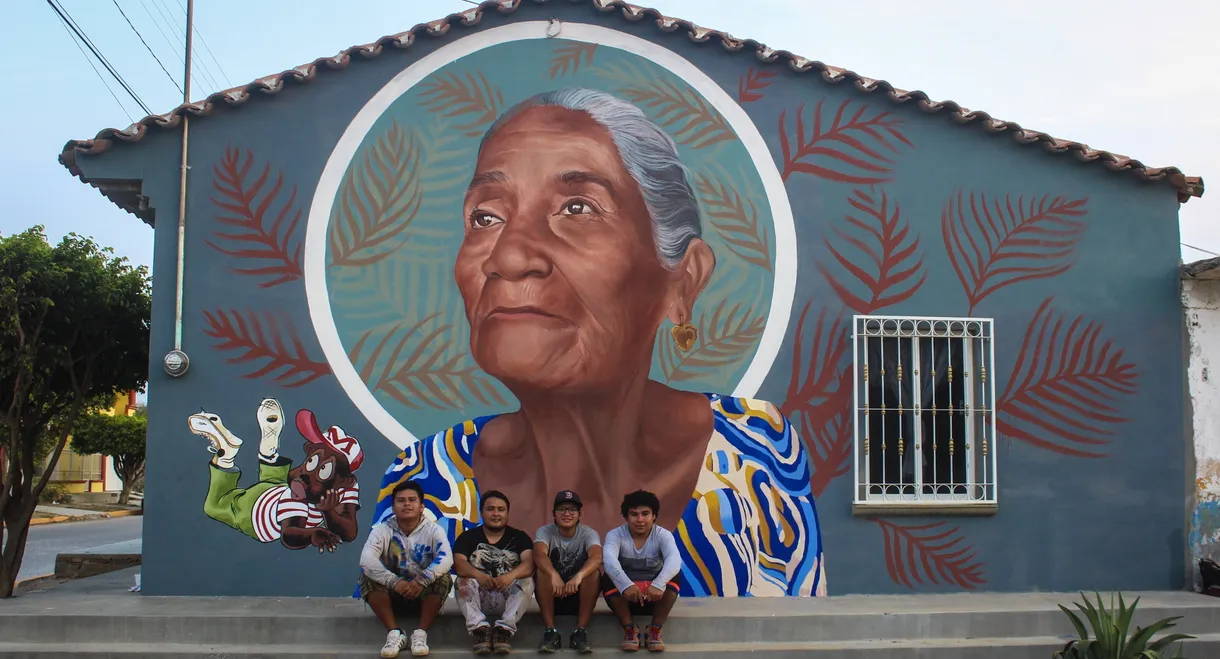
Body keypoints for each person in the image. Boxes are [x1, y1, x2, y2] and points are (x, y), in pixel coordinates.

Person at [370, 87, 826, 598]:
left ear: (682, 281)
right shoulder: (421, 481)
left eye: (577, 207)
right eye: (486, 217)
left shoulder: (758, 453)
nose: (509, 256)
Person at [359, 480, 453, 658]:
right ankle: (395, 633)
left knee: (443, 576)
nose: (407, 504)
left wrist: (422, 580)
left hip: (424, 595)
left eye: (412, 500)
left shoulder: (434, 530)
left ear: (421, 506)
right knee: (367, 575)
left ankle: (420, 634)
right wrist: (394, 582)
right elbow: (366, 560)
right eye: (401, 500)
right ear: (393, 507)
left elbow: (446, 558)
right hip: (392, 596)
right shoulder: (381, 530)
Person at [452, 490, 535, 654]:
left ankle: (503, 631)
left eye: (501, 509)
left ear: (507, 513)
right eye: (490, 509)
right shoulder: (467, 537)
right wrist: (478, 575)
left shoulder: (519, 537)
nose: (496, 514)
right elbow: (459, 564)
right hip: (479, 598)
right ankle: (480, 630)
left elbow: (530, 564)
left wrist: (510, 576)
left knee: (527, 581)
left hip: (508, 599)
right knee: (461, 581)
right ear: (482, 512)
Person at [601, 491, 682, 652]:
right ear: (626, 517)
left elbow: (675, 560)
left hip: (655, 598)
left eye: (645, 514)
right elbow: (609, 561)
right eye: (634, 514)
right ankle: (630, 630)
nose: (640, 519)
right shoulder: (615, 535)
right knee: (607, 577)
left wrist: (658, 584)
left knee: (675, 576)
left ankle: (655, 630)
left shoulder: (663, 535)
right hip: (625, 598)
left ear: (654, 516)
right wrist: (626, 585)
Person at [533, 490, 602, 653]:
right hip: (552, 594)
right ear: (554, 514)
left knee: (594, 573)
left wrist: (579, 576)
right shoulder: (545, 531)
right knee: (542, 572)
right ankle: (550, 632)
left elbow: (596, 557)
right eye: (561, 509)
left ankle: (579, 631)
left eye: (572, 510)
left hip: (578, 594)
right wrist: (553, 575)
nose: (567, 514)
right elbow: (539, 554)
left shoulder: (588, 533)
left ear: (579, 514)